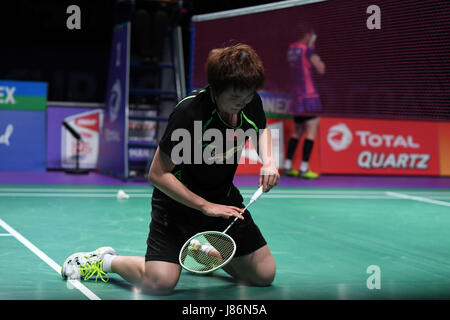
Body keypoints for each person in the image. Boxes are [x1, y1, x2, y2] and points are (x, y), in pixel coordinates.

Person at [61, 44, 280, 295]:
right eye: (234, 97)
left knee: (264, 275)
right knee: (159, 284)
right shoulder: (190, 113)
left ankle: (202, 250)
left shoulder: (248, 101)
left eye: (247, 96)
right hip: (177, 204)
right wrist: (204, 207)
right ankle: (103, 260)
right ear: (216, 89)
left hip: (222, 199)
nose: (242, 103)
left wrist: (269, 161)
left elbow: (260, 128)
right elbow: (156, 174)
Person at [282, 23, 326, 179]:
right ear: (307, 35)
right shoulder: (307, 50)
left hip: (296, 97)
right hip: (310, 96)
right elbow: (321, 68)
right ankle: (304, 168)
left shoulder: (291, 49)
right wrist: (312, 46)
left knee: (297, 131)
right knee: (311, 131)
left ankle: (287, 165)